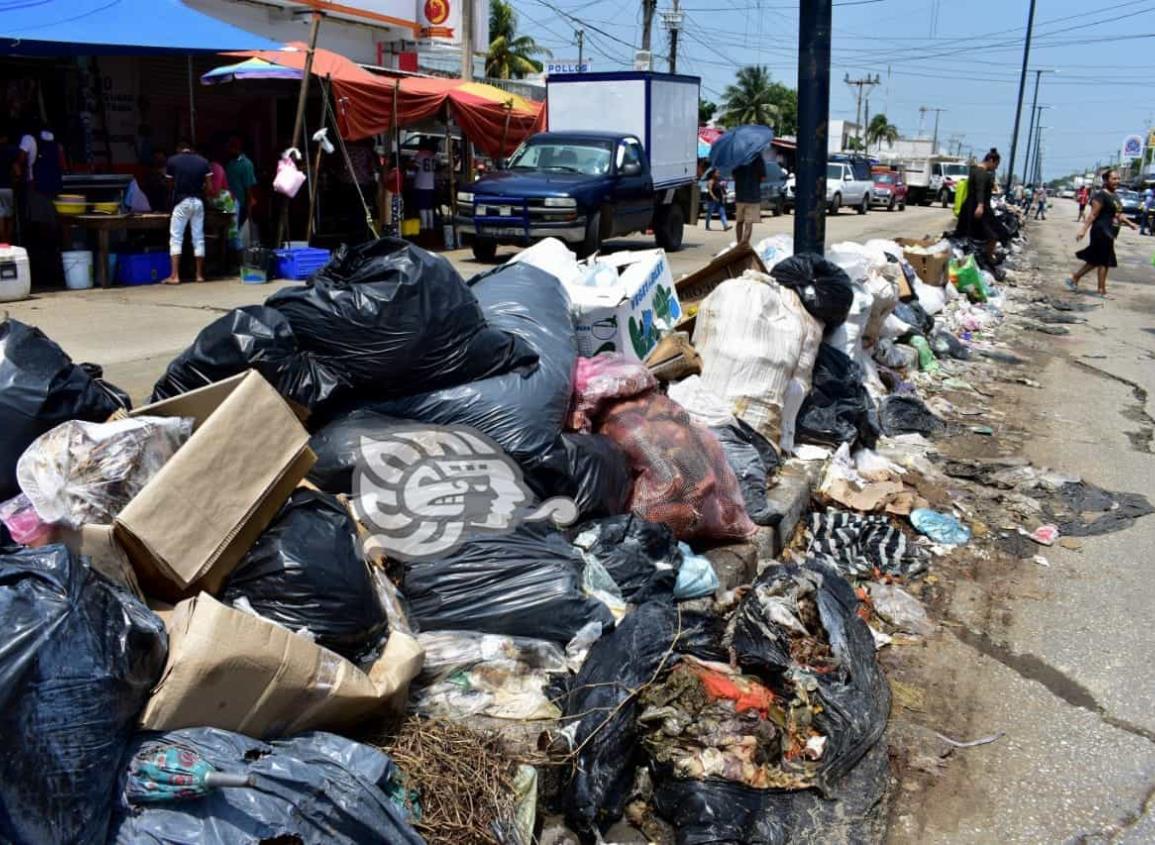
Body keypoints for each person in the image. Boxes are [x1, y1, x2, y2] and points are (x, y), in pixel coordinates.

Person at [1066, 168, 1138, 297]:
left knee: (1097, 259)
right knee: (1104, 259)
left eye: (1118, 179)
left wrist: (1130, 223)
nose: (1117, 181)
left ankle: (1075, 278)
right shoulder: (1101, 195)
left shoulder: (1115, 196)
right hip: (1100, 230)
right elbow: (1093, 214)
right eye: (1114, 179)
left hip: (1110, 231)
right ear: (1106, 180)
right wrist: (1083, 230)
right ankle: (1100, 289)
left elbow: (1118, 214)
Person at [165, 140, 212, 284]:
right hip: (198, 202)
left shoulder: (172, 161)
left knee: (176, 237)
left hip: (181, 201)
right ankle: (199, 276)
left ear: (179, 148)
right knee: (198, 237)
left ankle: (175, 276)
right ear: (191, 149)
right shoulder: (203, 162)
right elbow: (209, 187)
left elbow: (169, 185)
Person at [955, 148, 1001, 262]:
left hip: (970, 207)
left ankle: (980, 258)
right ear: (991, 160)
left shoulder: (974, 170)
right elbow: (979, 189)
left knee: (967, 234)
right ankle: (988, 258)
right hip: (977, 208)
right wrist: (980, 205)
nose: (996, 167)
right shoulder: (981, 173)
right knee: (993, 235)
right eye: (996, 164)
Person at [731, 152, 765, 244]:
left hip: (740, 195)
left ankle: (739, 243)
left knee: (739, 222)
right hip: (752, 196)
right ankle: (744, 244)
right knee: (748, 223)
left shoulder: (738, 157)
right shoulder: (757, 156)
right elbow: (763, 177)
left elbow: (733, 175)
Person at [224, 135, 257, 229]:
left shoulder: (246, 164)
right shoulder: (230, 163)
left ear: (236, 148)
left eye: (229, 148)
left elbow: (248, 186)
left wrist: (249, 204)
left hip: (241, 202)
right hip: (229, 202)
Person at [412, 138, 438, 232]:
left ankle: (424, 225)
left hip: (421, 183)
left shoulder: (420, 155)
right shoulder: (433, 156)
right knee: (429, 206)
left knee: (422, 206)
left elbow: (415, 167)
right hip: (430, 184)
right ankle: (431, 225)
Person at [0, 126, 18, 244]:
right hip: (7, 187)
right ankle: (8, 242)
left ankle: (1, 243)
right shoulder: (11, 151)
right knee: (10, 216)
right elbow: (18, 171)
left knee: (0, 216)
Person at [704, 168, 730, 232]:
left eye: (718, 173)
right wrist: (713, 197)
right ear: (713, 174)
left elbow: (721, 189)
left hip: (719, 199)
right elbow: (709, 190)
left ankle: (725, 226)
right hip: (711, 200)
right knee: (709, 213)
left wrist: (724, 195)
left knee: (722, 212)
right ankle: (707, 225)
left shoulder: (719, 181)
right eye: (717, 173)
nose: (718, 174)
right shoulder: (711, 181)